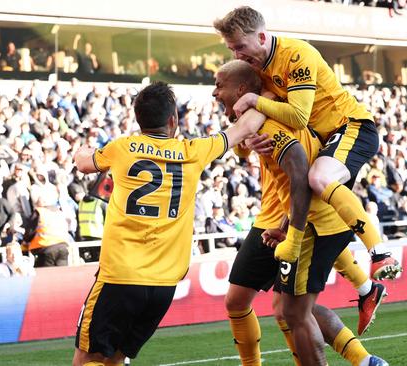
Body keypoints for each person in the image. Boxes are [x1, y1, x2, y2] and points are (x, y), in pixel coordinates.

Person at [71, 81, 265, 366]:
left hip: (120, 276)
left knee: (86, 360)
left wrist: (80, 152)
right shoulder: (195, 151)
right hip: (163, 286)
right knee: (115, 359)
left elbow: (85, 164)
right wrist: (272, 95)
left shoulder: (122, 148)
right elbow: (246, 127)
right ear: (173, 119)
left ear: (138, 119)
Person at [215, 61, 387, 366]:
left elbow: (298, 170)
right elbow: (248, 148)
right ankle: (366, 358)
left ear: (242, 90)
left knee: (275, 307)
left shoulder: (265, 117)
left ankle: (370, 279)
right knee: (288, 308)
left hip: (290, 219)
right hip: (292, 216)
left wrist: (289, 231)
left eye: (219, 85)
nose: (214, 92)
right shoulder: (269, 110)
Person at [214, 6, 401, 280]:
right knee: (310, 193)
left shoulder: (296, 54)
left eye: (240, 46)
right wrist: (250, 139)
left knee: (318, 178)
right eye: (232, 49)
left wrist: (254, 100)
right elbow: (254, 123)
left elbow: (299, 117)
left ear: (262, 38)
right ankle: (365, 288)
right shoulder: (260, 69)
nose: (237, 55)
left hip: (351, 126)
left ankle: (381, 254)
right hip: (325, 140)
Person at [23, 195, 71, 267]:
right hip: (63, 247)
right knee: (62, 274)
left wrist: (25, 242)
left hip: (46, 248)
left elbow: (29, 232)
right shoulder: (59, 212)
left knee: (44, 275)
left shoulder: (39, 212)